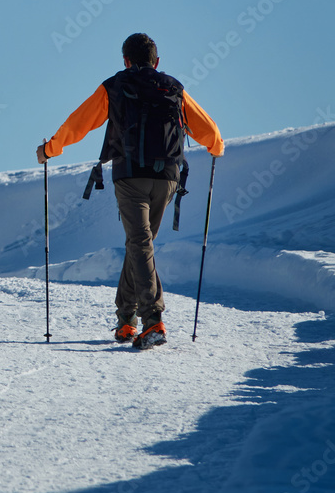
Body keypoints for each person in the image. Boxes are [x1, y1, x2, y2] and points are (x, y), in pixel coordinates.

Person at [36, 33, 224, 349]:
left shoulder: (114, 86)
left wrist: (49, 149)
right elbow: (211, 132)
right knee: (141, 244)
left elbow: (78, 124)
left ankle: (153, 321)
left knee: (140, 243)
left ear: (125, 60)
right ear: (157, 61)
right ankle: (126, 321)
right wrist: (216, 147)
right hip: (168, 177)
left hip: (130, 176)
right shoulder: (174, 87)